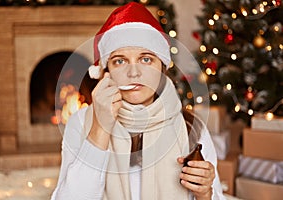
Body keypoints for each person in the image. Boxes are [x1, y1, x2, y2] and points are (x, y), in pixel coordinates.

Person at [51, 2, 225, 200]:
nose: (133, 73)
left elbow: (215, 197)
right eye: (120, 61)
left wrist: (205, 193)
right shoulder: (81, 123)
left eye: (146, 59)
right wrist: (100, 127)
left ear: (162, 68)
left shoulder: (192, 127)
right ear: (105, 73)